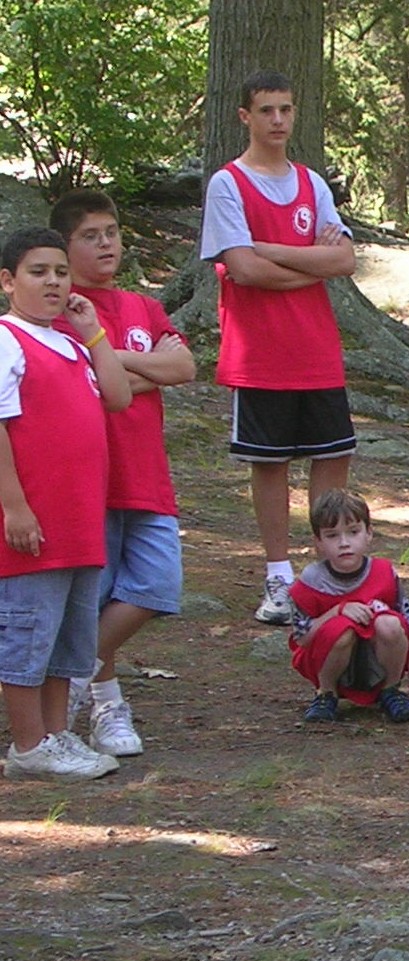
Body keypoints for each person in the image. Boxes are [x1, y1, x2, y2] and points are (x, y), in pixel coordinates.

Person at [199, 69, 358, 627]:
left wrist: (269, 251)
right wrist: (302, 263)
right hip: (259, 352)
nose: (277, 121)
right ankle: (277, 575)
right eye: (265, 110)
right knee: (268, 466)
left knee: (331, 457)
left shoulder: (312, 184)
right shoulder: (228, 184)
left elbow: (342, 260)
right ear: (245, 116)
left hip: (317, 349)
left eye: (285, 110)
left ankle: (330, 571)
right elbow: (241, 268)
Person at [49, 189, 195, 759]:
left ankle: (75, 674)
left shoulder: (141, 307)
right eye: (91, 235)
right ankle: (107, 707)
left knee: (159, 587)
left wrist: (112, 361)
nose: (106, 242)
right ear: (65, 246)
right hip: (92, 478)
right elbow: (91, 388)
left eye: (110, 231)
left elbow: (182, 366)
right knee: (97, 597)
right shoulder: (61, 310)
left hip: (147, 476)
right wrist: (141, 370)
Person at [0, 226, 133, 780]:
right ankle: (28, 744)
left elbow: (120, 397)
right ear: (8, 282)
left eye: (60, 271)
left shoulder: (72, 344)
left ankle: (57, 735)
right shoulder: (8, 340)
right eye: (38, 272)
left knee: (67, 636)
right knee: (28, 630)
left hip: (80, 522)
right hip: (36, 523)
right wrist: (15, 507)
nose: (53, 282)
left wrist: (94, 333)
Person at [288, 488, 409, 725]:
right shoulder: (311, 580)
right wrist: (336, 612)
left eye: (353, 532)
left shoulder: (384, 573)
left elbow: (408, 625)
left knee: (389, 623)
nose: (344, 543)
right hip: (328, 657)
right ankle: (326, 695)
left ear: (368, 534)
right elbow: (302, 638)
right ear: (319, 542)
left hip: (376, 658)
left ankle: (390, 690)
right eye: (332, 535)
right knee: (342, 631)